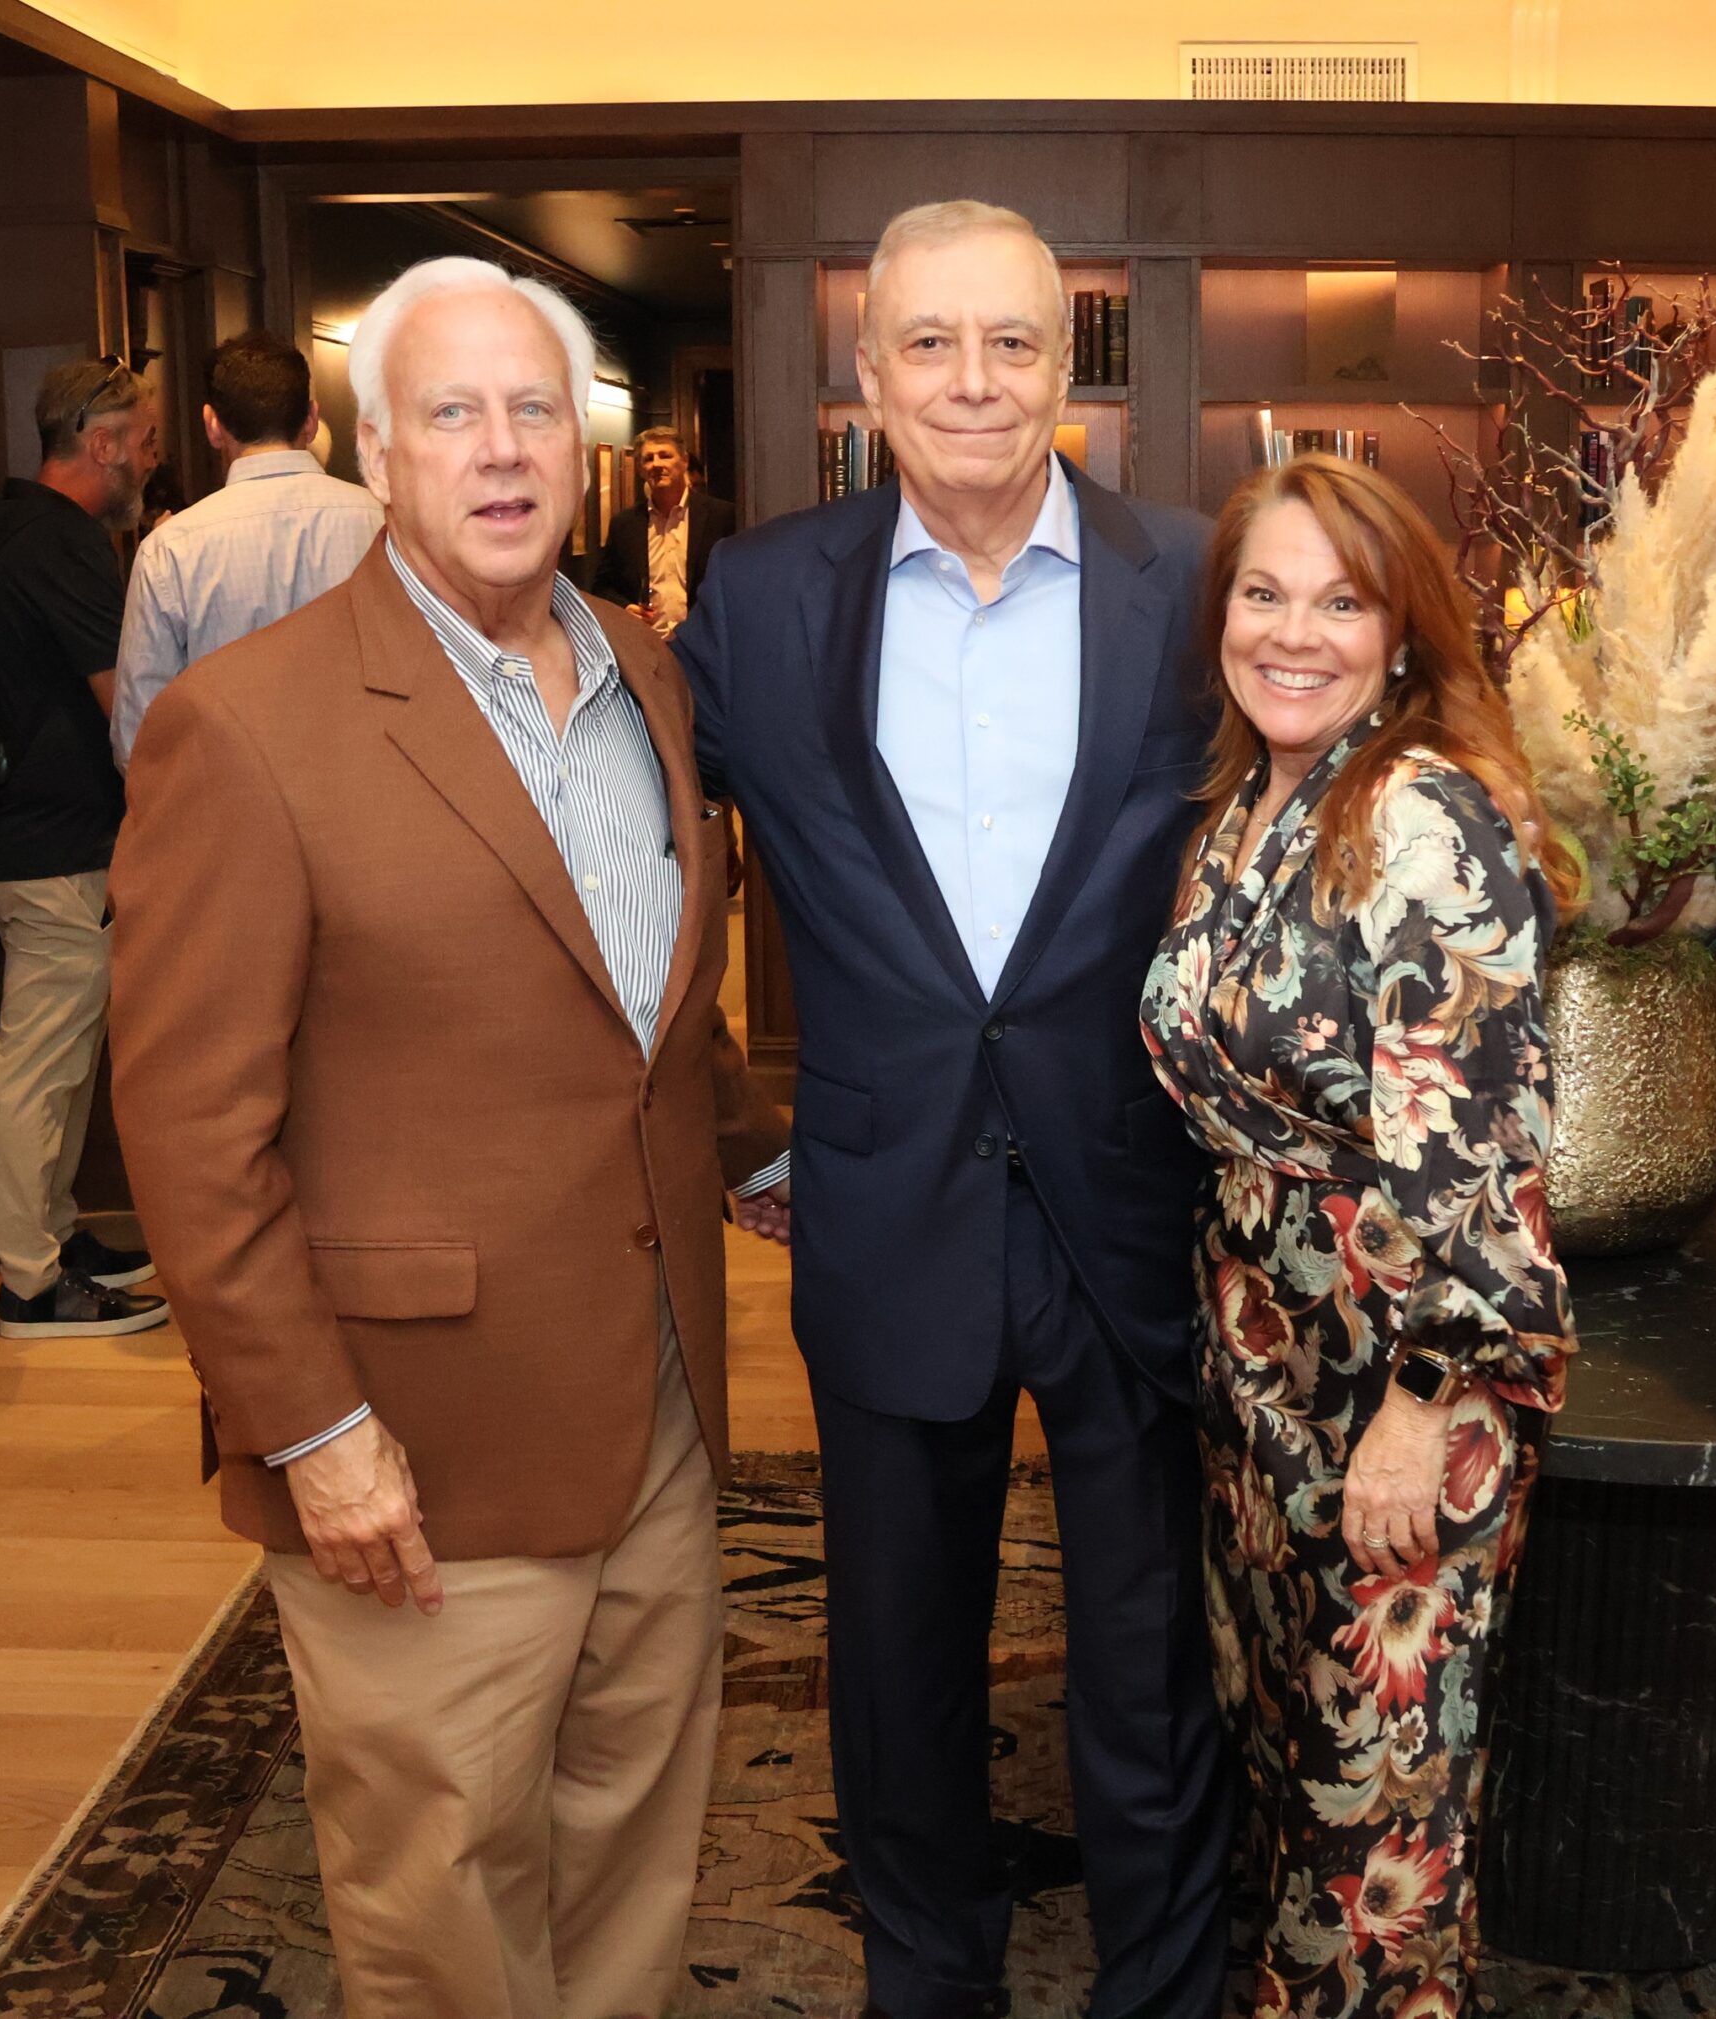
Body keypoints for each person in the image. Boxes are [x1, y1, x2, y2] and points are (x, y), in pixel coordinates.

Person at [107, 256, 789, 2017]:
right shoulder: (246, 724)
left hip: (654, 1392)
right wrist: (314, 1425)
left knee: (637, 1827)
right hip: (413, 1435)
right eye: (452, 414)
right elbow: (190, 1126)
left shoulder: (642, 667)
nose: (501, 451)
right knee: (440, 1884)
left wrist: (773, 1151)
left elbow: (641, 1010)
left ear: (586, 446)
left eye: (534, 408)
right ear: (377, 455)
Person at [674, 199, 1230, 2019]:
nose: (973, 381)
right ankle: (931, 1975)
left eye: (1011, 343)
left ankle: (1157, 1978)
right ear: (866, 373)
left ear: (1069, 369)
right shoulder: (759, 598)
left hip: (1129, 1200)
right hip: (884, 1203)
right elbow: (641, 860)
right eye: (931, 343)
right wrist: (737, 1119)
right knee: (898, 1648)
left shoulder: (1199, 579)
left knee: (1144, 1657)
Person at [1140, 455, 1580, 2016]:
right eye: (1265, 592)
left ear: (1402, 633)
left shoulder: (1423, 815)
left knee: (1376, 1821)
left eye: (1343, 599)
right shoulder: (1249, 798)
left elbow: (1482, 1156)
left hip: (1406, 1378)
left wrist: (1423, 1403)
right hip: (1269, 1364)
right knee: (1305, 1759)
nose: (1296, 632)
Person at [0, 356, 169, 1338]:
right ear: (99, 445)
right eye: (143, 439)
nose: (152, 456)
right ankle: (29, 1283)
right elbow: (128, 709)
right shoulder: (63, 546)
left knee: (55, 1059)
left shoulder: (8, 523)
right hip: (53, 846)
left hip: (26, 837)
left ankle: (51, 1236)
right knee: (43, 1064)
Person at [110, 328, 385, 768]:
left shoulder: (170, 551)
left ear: (212, 425)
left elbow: (140, 736)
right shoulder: (384, 524)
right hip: (367, 797)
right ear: (312, 420)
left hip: (227, 807)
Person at [592, 423, 736, 637]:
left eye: (665, 455)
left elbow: (737, 583)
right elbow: (602, 587)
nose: (656, 464)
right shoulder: (625, 524)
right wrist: (624, 608)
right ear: (640, 469)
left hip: (703, 645)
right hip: (648, 646)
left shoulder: (721, 516)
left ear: (684, 461)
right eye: (648, 459)